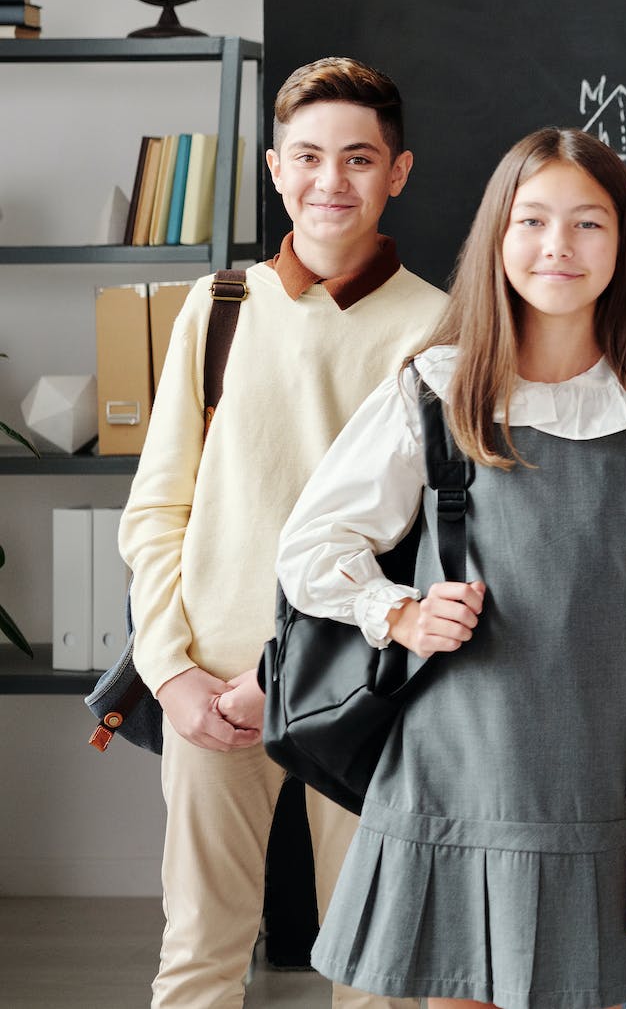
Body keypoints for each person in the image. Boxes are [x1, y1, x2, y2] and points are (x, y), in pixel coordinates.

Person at [275, 129, 626, 1009]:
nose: (558, 246)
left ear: (624, 245)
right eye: (533, 221)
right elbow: (310, 545)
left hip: (601, 778)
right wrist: (396, 609)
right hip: (456, 767)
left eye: (589, 223)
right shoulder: (436, 387)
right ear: (498, 236)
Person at [120, 56, 445, 1009]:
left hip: (363, 688)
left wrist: (296, 673)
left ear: (399, 171)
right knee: (197, 957)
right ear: (273, 167)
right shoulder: (217, 310)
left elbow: (434, 535)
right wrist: (169, 671)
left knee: (374, 971)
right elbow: (158, 509)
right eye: (307, 157)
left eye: (357, 158)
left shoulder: (440, 326)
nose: (329, 181)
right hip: (208, 688)